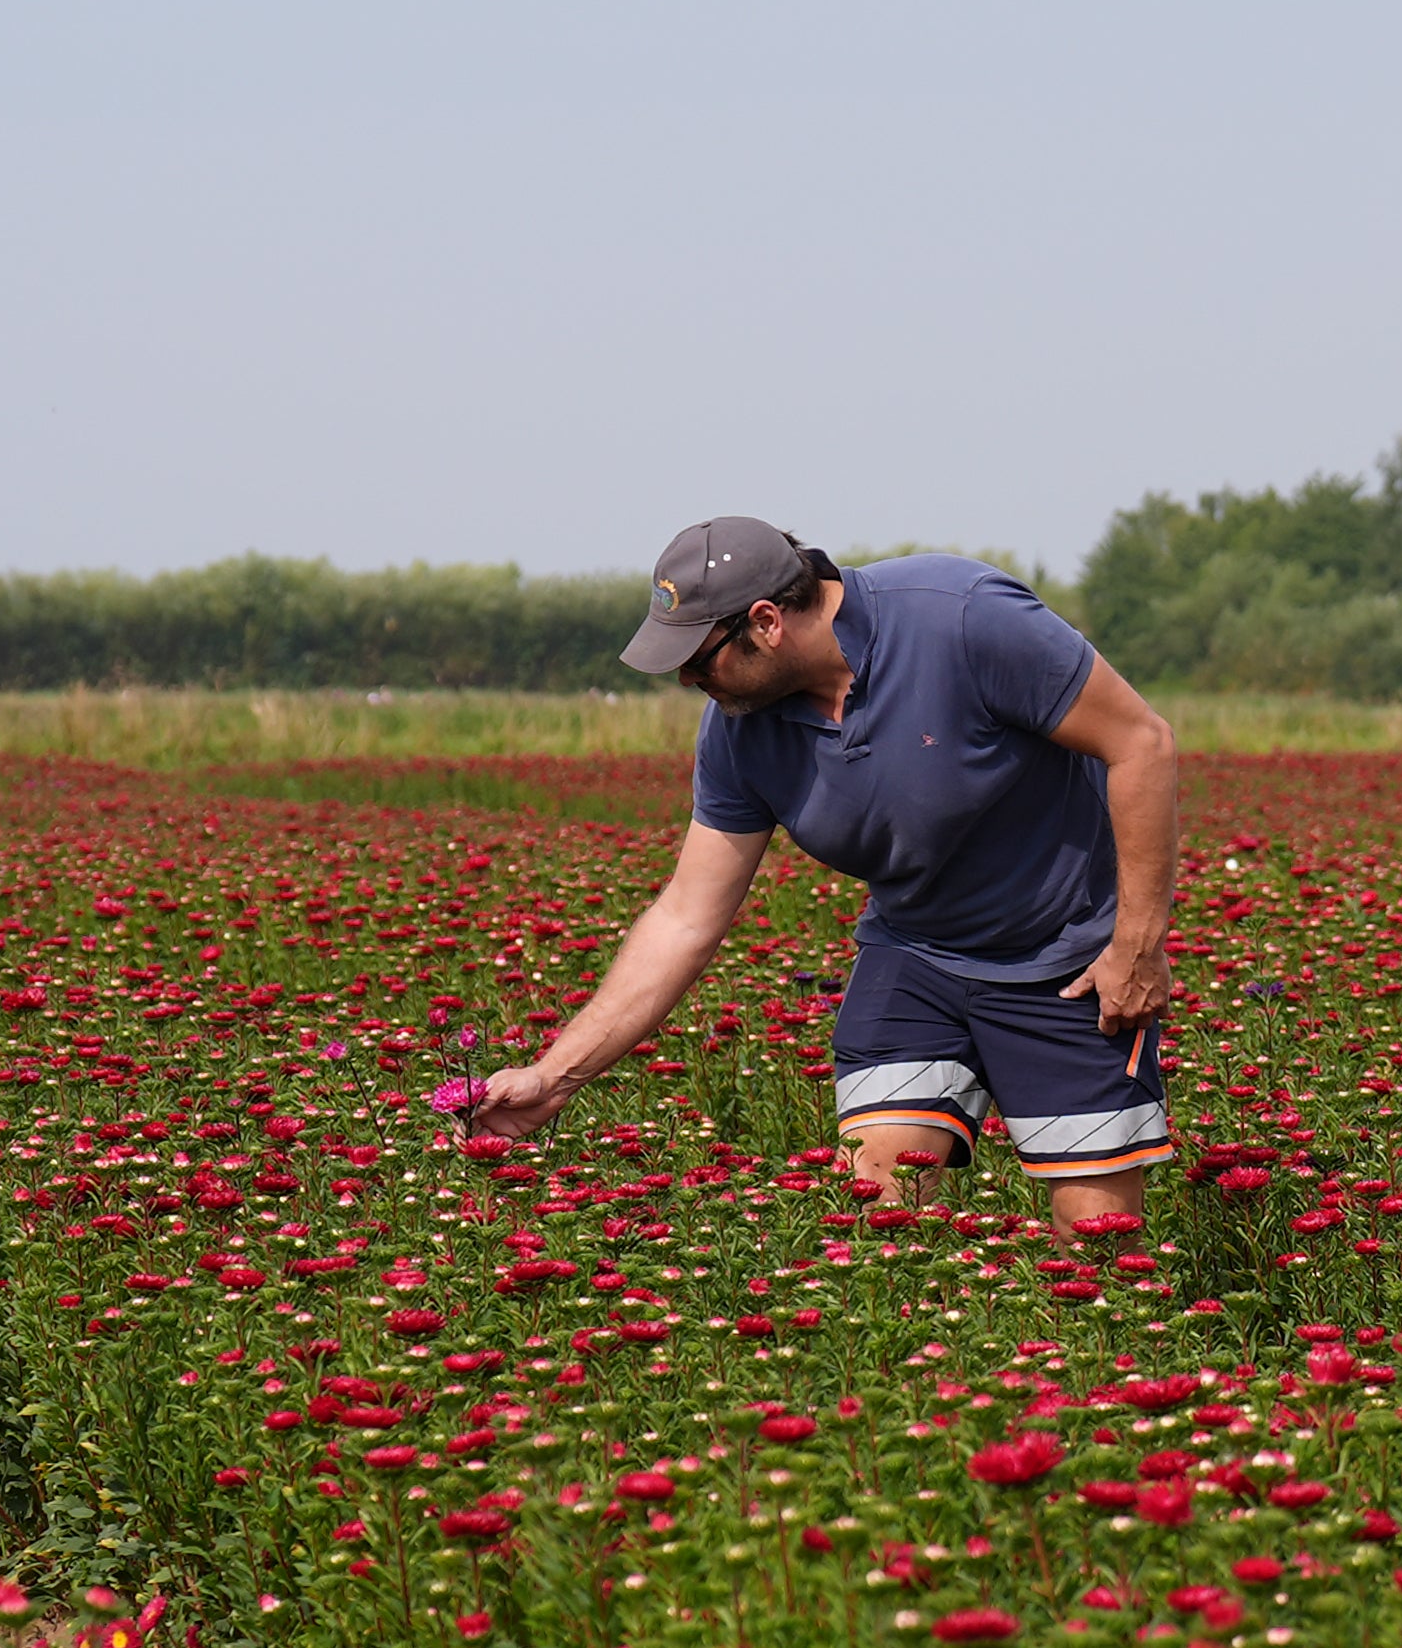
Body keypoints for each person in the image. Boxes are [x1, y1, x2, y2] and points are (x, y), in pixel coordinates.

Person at [451, 517, 1185, 1229]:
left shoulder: (962, 620)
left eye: (700, 659)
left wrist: (1137, 944)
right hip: (916, 954)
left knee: (1095, 1246)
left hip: (1062, 958)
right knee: (880, 1196)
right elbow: (686, 917)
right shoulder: (740, 732)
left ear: (766, 621)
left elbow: (1142, 745)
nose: (685, 681)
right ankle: (925, 1351)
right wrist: (552, 1079)